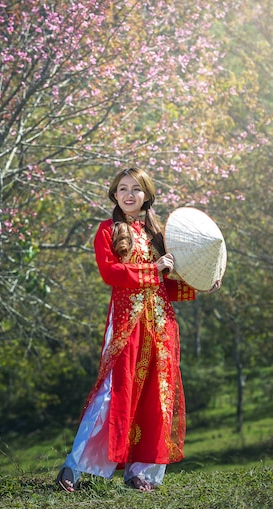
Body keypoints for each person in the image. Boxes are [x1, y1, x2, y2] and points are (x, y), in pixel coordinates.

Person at [56, 166, 220, 492]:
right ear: (115, 195)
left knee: (155, 397)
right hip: (125, 325)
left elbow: (166, 286)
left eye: (136, 189)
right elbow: (111, 273)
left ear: (147, 194)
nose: (129, 195)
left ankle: (140, 473)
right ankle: (74, 469)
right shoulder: (107, 231)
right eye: (122, 189)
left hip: (160, 328)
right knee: (112, 395)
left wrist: (200, 285)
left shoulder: (157, 235)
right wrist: (152, 269)